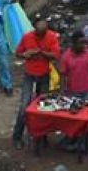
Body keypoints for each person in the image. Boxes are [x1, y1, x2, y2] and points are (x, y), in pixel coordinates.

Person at [11, 19, 59, 149]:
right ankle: (17, 137)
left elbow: (55, 55)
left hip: (44, 75)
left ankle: (41, 137)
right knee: (24, 107)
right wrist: (25, 54)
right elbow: (18, 53)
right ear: (34, 30)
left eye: (42, 34)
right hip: (29, 75)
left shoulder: (52, 37)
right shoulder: (27, 37)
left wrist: (41, 52)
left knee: (43, 107)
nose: (40, 36)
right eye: (38, 34)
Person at [59, 32, 88, 100]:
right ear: (73, 43)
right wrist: (62, 91)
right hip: (73, 93)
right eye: (80, 43)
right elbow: (62, 75)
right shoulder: (65, 56)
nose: (83, 45)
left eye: (84, 42)